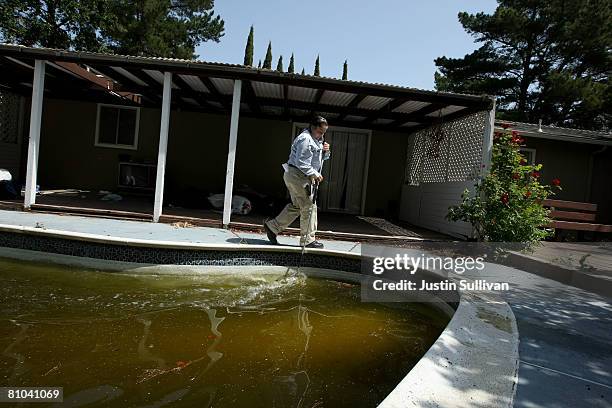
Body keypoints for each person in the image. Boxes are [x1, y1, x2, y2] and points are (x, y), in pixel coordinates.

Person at [264, 116, 331, 248]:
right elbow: (301, 162)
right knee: (309, 206)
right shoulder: (305, 139)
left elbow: (320, 159)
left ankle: (272, 227)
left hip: (298, 176)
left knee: (297, 206)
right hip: (297, 176)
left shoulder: (316, 139)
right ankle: (308, 240)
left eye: (324, 132)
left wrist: (326, 151)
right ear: (313, 127)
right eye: (320, 132)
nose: (322, 135)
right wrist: (314, 174)